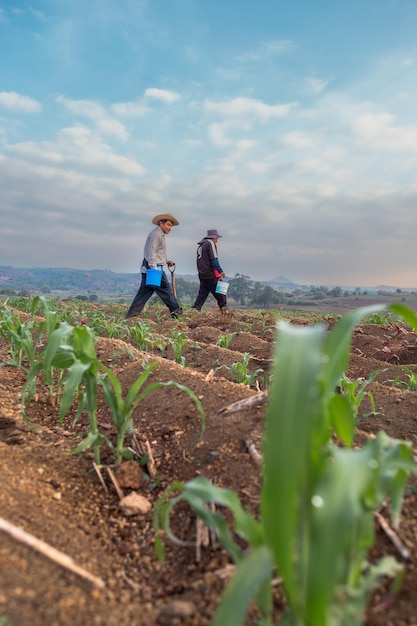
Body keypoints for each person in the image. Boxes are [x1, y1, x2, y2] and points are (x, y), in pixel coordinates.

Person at [125, 213, 183, 319]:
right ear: (161, 223)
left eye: (171, 226)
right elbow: (151, 252)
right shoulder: (156, 234)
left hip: (150, 268)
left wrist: (166, 261)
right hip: (154, 268)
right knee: (166, 291)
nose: (170, 228)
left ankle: (131, 315)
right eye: (168, 225)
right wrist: (155, 269)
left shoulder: (159, 234)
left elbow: (157, 252)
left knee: (143, 293)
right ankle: (176, 312)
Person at [192, 229, 228, 313]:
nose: (217, 241)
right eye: (216, 238)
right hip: (211, 273)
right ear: (213, 237)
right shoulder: (210, 243)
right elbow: (214, 259)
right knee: (221, 292)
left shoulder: (201, 245)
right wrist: (220, 271)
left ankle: (195, 309)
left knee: (202, 294)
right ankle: (224, 308)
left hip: (202, 273)